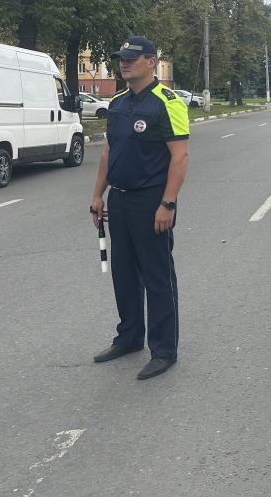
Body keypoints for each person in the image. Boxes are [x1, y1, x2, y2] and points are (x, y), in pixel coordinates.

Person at [90, 36, 190, 380]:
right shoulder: (117, 103)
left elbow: (180, 157)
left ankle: (164, 350)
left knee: (157, 276)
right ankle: (129, 336)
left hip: (151, 201)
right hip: (119, 199)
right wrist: (98, 195)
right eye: (121, 58)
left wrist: (168, 203)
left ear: (151, 61)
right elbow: (108, 153)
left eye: (131, 59)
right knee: (124, 273)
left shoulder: (167, 102)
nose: (124, 63)